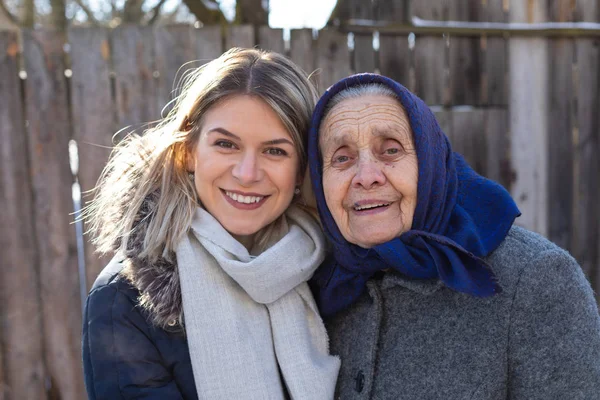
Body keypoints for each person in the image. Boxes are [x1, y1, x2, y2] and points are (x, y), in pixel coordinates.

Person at [307, 73, 600, 399]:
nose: (366, 177)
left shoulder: (535, 279)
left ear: (431, 162)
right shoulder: (313, 287)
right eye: (342, 157)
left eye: (390, 150)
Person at [82, 48, 340, 400]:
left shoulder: (333, 278)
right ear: (188, 150)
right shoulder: (123, 302)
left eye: (275, 151)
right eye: (225, 144)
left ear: (302, 169)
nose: (247, 174)